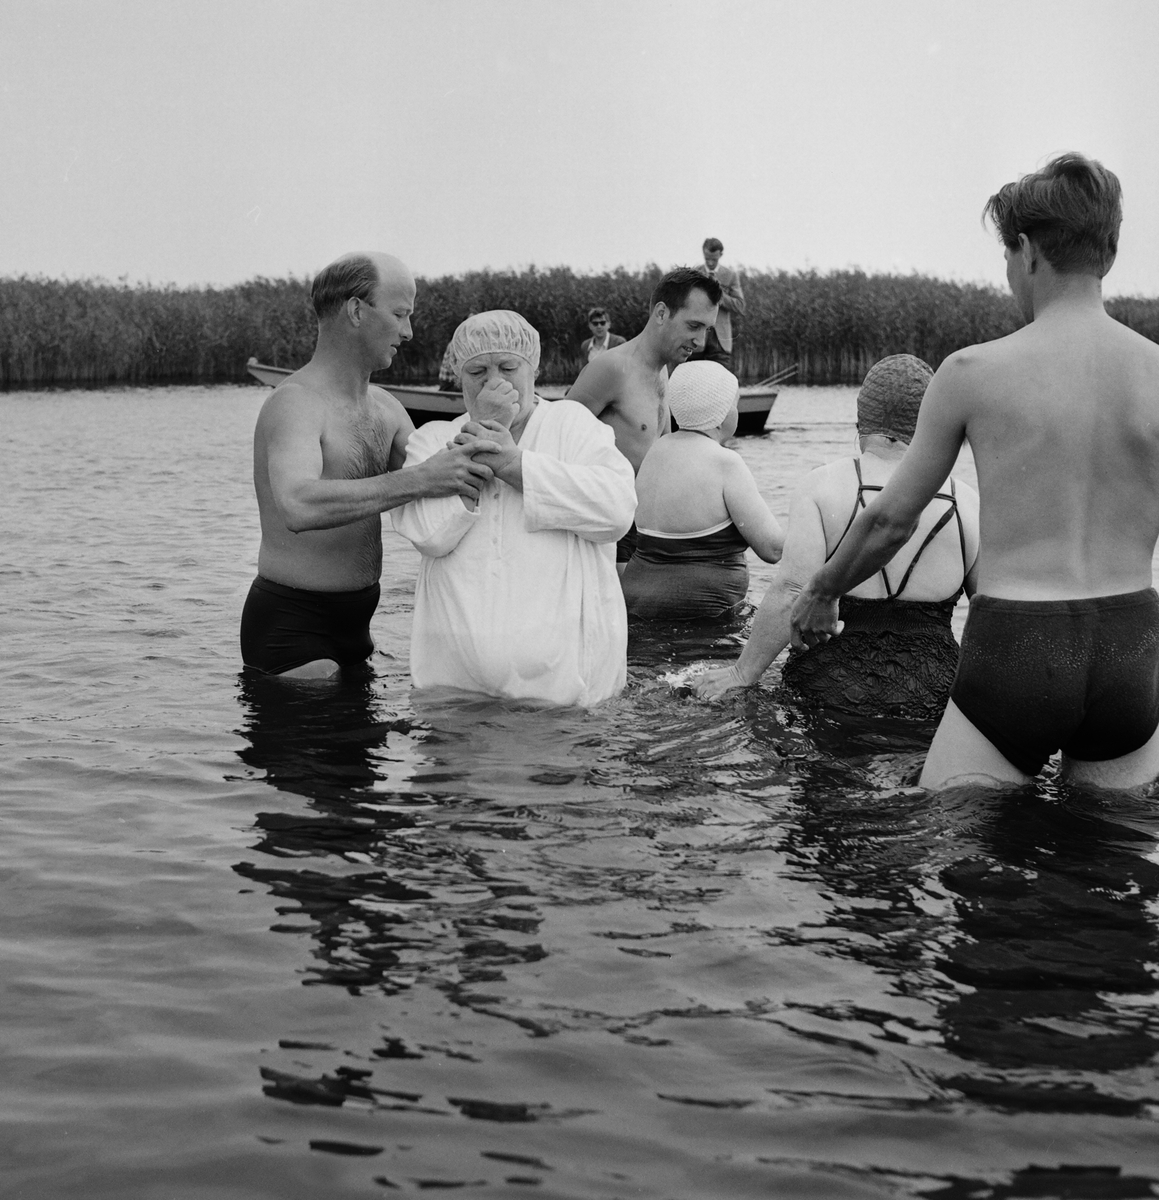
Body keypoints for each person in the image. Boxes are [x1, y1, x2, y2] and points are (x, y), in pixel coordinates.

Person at [791, 153, 1159, 790]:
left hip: (1019, 643)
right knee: (1108, 867)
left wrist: (822, 591)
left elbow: (890, 519)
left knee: (963, 848)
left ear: (1026, 250)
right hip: (1132, 647)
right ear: (1109, 251)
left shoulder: (972, 373)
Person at [241, 252, 496, 680]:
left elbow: (446, 474)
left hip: (358, 629)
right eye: (400, 314)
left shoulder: (386, 407)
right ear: (356, 310)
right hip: (294, 629)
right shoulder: (295, 403)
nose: (409, 332)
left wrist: (499, 418)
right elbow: (298, 505)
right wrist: (419, 479)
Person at [695, 355, 980, 716]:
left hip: (830, 684)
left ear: (860, 420)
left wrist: (741, 673)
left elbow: (791, 592)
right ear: (928, 420)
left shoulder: (822, 485)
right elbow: (992, 617)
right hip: (934, 688)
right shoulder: (966, 501)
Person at [391, 311, 637, 707]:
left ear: (533, 368)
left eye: (508, 367)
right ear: (457, 374)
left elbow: (617, 511)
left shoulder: (572, 424)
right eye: (477, 371)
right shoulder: (431, 440)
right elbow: (426, 534)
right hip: (453, 692)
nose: (495, 381)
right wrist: (479, 439)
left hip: (564, 696)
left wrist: (513, 465)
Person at [567, 267, 723, 569]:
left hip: (647, 526)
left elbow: (662, 453)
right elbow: (556, 440)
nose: (701, 341)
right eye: (694, 326)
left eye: (707, 330)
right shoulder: (611, 369)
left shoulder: (663, 371)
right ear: (662, 313)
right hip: (609, 532)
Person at [620, 361, 784, 620]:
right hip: (701, 613)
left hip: (634, 602)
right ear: (720, 413)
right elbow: (772, 549)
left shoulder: (656, 450)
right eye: (734, 404)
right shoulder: (725, 462)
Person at [688, 238, 745, 368]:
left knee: (720, 383)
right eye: (707, 258)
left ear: (721, 255)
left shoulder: (731, 275)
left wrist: (718, 295)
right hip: (697, 338)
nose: (710, 262)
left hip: (720, 340)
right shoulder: (694, 274)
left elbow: (740, 305)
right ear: (703, 253)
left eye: (714, 259)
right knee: (693, 381)